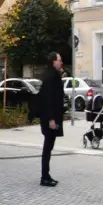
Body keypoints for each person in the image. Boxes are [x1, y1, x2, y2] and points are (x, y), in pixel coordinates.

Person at [37, 52, 66, 186]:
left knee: (49, 147)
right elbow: (47, 99)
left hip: (52, 117)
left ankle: (46, 174)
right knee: (47, 148)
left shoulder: (52, 75)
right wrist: (51, 119)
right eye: (59, 60)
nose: (61, 62)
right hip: (50, 119)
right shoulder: (50, 77)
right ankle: (44, 177)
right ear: (54, 61)